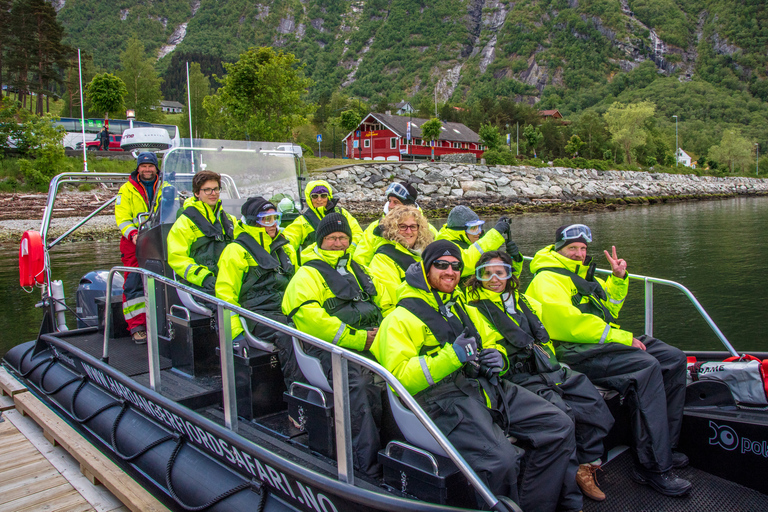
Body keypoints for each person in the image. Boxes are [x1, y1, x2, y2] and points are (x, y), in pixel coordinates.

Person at [371, 240, 576, 512]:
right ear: (425, 269)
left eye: (456, 266)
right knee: (500, 459)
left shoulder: (460, 305)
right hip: (441, 400)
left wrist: (499, 357)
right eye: (441, 265)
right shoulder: (398, 319)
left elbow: (490, 339)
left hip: (482, 386)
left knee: (559, 425)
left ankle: (534, 505)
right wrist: (451, 357)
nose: (450, 271)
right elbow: (400, 378)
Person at [526, 224, 691, 496]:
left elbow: (609, 309)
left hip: (598, 344)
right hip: (571, 351)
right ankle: (652, 467)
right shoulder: (547, 280)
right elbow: (567, 324)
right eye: (572, 249)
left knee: (673, 359)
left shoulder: (581, 276)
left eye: (582, 248)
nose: (579, 254)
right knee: (645, 367)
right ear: (558, 250)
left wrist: (618, 278)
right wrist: (624, 339)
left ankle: (665, 448)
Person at [466, 250, 614, 507]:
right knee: (562, 415)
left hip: (546, 368)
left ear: (510, 275)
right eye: (486, 273)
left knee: (592, 401)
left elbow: (542, 337)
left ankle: (586, 464)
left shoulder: (523, 301)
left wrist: (554, 366)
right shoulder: (471, 304)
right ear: (478, 276)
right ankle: (569, 498)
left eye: (500, 272)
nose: (493, 278)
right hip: (517, 375)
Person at [281, 212, 387, 477]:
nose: (339, 243)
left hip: (369, 341)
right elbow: (311, 320)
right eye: (332, 238)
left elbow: (384, 303)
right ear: (321, 239)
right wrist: (359, 339)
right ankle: (366, 463)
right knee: (358, 385)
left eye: (343, 238)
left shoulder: (357, 268)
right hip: (328, 348)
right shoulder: (307, 274)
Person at [215, 197, 300, 386]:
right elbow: (225, 295)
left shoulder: (284, 247)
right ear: (254, 222)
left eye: (275, 218)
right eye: (266, 220)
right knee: (291, 335)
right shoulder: (235, 251)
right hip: (255, 313)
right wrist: (235, 334)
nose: (273, 225)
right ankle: (299, 395)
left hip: (284, 310)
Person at [115, 152, 162, 344]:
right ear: (138, 168)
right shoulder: (126, 190)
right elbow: (122, 218)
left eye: (151, 166)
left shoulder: (165, 186)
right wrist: (134, 234)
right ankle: (137, 326)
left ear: (156, 168)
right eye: (144, 166)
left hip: (160, 237)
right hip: (134, 241)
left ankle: (161, 322)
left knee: (164, 279)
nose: (147, 169)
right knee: (134, 281)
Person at [167, 170, 238, 295]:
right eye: (207, 190)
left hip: (228, 279)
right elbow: (177, 258)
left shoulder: (229, 220)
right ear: (196, 193)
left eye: (216, 189)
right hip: (200, 284)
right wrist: (204, 277)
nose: (213, 193)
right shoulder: (184, 223)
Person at [367, 205, 433, 316]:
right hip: (408, 318)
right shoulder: (383, 259)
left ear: (420, 228)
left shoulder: (422, 253)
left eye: (413, 226)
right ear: (392, 229)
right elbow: (390, 303)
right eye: (402, 227)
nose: (408, 231)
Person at [353, 181, 437, 266]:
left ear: (408, 205)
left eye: (396, 202)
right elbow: (360, 260)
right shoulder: (376, 228)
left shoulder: (428, 229)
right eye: (390, 201)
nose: (390, 206)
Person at [281, 180, 363, 258]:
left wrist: (350, 249)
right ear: (310, 199)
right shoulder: (303, 221)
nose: (319, 199)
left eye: (323, 195)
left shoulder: (342, 213)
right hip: (317, 265)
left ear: (329, 197)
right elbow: (290, 237)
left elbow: (358, 233)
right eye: (315, 196)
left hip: (345, 260)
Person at [435, 205, 522, 278]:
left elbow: (507, 281)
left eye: (479, 227)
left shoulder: (472, 246)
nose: (479, 232)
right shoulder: (444, 246)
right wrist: (495, 234)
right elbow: (466, 264)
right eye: (473, 228)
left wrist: (514, 259)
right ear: (460, 231)